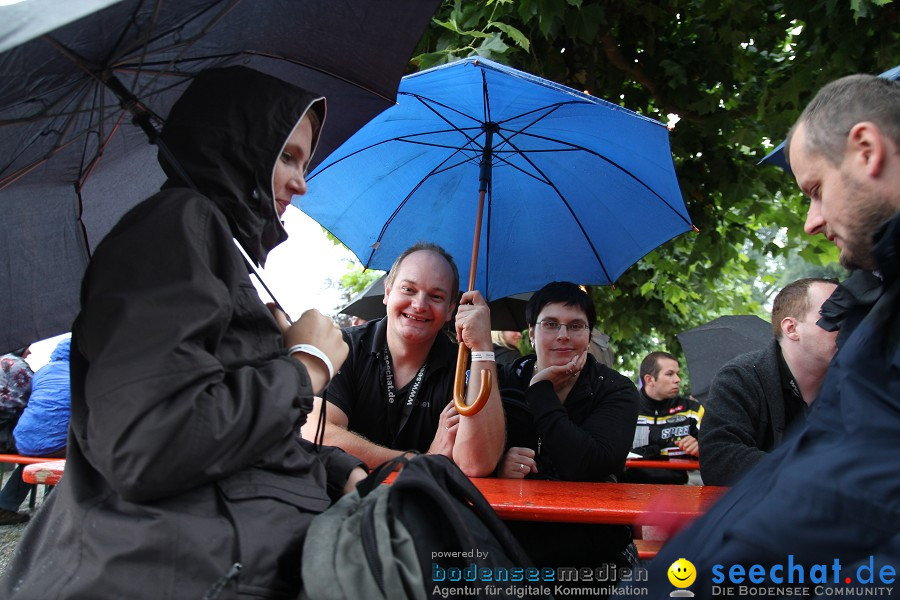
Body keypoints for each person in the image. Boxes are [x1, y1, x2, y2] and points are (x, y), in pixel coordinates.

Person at [0, 66, 366, 599]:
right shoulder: (178, 226)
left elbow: (220, 429)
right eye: (287, 156)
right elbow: (150, 442)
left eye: (304, 161)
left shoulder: (212, 244)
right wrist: (306, 367)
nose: (301, 182)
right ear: (240, 143)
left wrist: (332, 468)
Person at [616, 74, 900, 598]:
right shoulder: (870, 315)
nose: (812, 221)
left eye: (816, 190)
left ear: (866, 149)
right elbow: (820, 485)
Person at [305, 242, 505, 476]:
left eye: (436, 296)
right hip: (343, 502)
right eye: (409, 290)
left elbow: (475, 463)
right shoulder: (343, 346)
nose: (419, 305)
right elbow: (318, 435)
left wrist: (482, 347)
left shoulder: (464, 366)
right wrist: (421, 461)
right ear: (388, 292)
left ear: (451, 309)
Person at [495, 282, 639, 592]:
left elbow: (590, 464)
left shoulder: (615, 390)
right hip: (510, 547)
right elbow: (467, 458)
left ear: (588, 336)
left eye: (576, 326)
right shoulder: (499, 380)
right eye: (550, 324)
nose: (563, 335)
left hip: (593, 555)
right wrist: (497, 466)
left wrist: (540, 390)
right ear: (531, 332)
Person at [700, 278, 838, 486]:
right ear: (791, 328)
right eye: (835, 315)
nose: (849, 326)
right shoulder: (741, 377)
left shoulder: (856, 385)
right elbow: (718, 461)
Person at [0, 338, 71, 525]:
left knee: (38, 450)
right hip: (49, 444)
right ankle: (65, 509)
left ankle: (5, 505)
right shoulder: (83, 373)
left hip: (23, 441)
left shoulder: (43, 371)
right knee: (87, 452)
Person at [620, 352, 702, 485]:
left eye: (677, 373)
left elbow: (717, 451)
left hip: (680, 489)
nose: (677, 379)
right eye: (670, 374)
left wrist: (701, 448)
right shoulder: (624, 409)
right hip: (630, 490)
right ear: (649, 380)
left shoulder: (693, 410)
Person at [0, 347, 33, 455]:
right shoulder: (16, 364)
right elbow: (35, 393)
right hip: (7, 427)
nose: (29, 352)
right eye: (27, 348)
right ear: (19, 348)